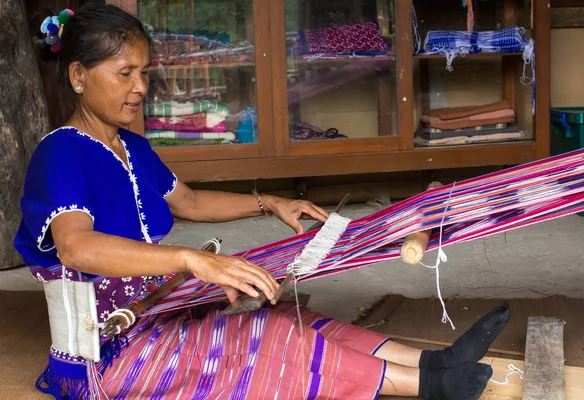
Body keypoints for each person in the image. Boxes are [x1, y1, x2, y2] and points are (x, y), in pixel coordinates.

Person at [15, 4, 512, 399]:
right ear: (78, 75)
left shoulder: (131, 147)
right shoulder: (61, 153)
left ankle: (432, 362)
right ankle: (430, 387)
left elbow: (187, 201)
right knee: (266, 343)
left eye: (144, 72)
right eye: (125, 73)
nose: (141, 87)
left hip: (156, 316)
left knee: (286, 319)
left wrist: (269, 202)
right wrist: (193, 261)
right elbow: (76, 247)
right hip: (106, 354)